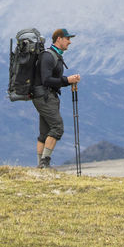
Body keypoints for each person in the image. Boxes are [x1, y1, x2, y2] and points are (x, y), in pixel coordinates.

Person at [34, 27, 81, 169]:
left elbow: (52, 80)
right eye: (67, 39)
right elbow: (46, 80)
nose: (70, 42)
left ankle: (40, 166)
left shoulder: (54, 55)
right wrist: (67, 80)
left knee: (45, 132)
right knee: (57, 127)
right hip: (45, 97)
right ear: (58, 39)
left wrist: (68, 81)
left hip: (45, 96)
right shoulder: (49, 56)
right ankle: (44, 163)